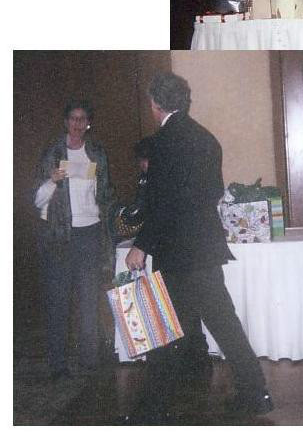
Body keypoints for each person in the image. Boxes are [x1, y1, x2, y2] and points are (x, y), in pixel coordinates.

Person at [123, 72, 272, 421]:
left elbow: (162, 203)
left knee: (165, 332)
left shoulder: (162, 143)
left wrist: (140, 245)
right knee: (226, 326)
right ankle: (257, 394)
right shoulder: (206, 138)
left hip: (177, 254)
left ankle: (150, 413)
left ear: (155, 103)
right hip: (205, 249)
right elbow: (212, 192)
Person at [33, 100, 114, 380]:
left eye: (83, 119)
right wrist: (52, 181)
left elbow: (105, 194)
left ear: (88, 123)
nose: (78, 124)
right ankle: (58, 365)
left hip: (89, 233)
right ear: (66, 122)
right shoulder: (53, 153)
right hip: (60, 236)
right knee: (58, 301)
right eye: (73, 118)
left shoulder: (97, 153)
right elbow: (37, 200)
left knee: (89, 300)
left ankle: (89, 361)